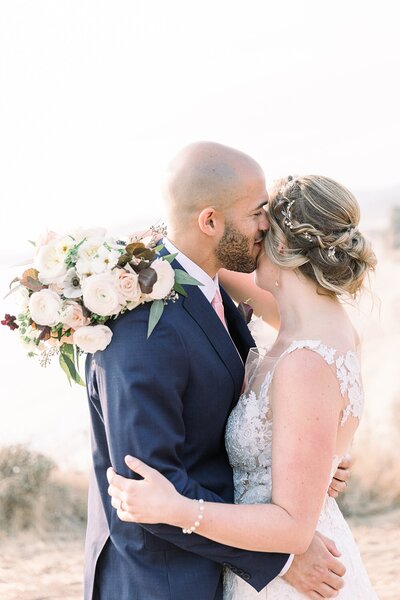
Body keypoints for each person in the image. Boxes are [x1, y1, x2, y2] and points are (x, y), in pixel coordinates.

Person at [85, 142, 350, 600]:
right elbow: (147, 488)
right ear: (210, 221)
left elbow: (214, 429)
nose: (268, 226)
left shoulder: (210, 289)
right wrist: (282, 555)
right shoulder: (140, 325)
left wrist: (305, 457)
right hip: (164, 582)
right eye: (258, 212)